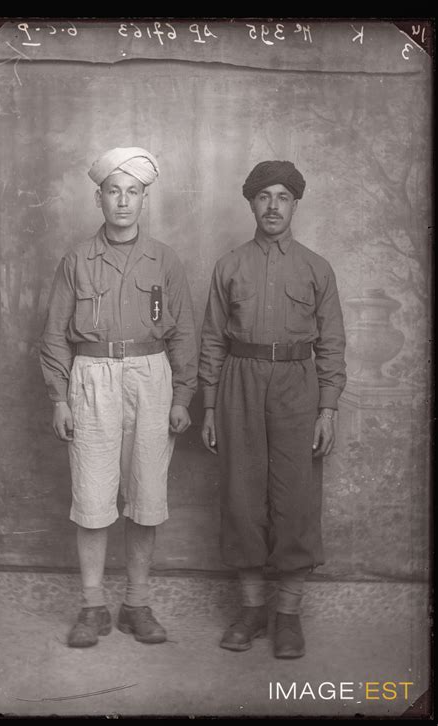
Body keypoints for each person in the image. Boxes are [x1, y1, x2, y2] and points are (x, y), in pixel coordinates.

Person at [40, 146, 197, 648]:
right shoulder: (76, 260)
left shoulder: (165, 261)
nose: (122, 202)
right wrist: (59, 398)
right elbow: (53, 334)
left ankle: (137, 602)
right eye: (113, 191)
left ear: (144, 199)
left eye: (132, 192)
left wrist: (183, 396)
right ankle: (92, 606)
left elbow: (184, 335)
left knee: (146, 496)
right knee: (92, 496)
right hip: (92, 378)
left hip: (152, 378)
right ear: (99, 198)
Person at [199, 160, 346, 658]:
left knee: (295, 495)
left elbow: (332, 345)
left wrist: (326, 410)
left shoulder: (316, 268)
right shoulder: (230, 266)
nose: (273, 206)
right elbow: (213, 342)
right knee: (242, 495)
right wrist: (210, 407)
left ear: (296, 204)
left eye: (283, 197)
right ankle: (251, 609)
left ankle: (288, 616)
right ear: (251, 204)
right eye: (264, 197)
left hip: (296, 386)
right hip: (239, 382)